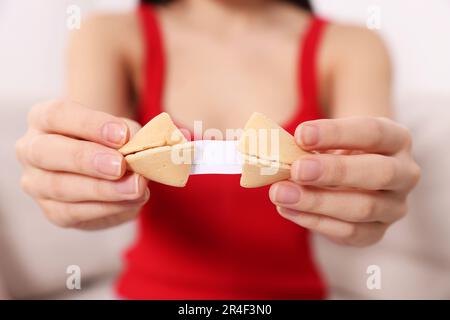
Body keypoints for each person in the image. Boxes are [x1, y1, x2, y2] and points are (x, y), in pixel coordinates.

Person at [15, 0, 420, 299]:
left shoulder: (351, 46)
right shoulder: (107, 35)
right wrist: (72, 183)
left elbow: (370, 181)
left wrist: (371, 197)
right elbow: (90, 167)